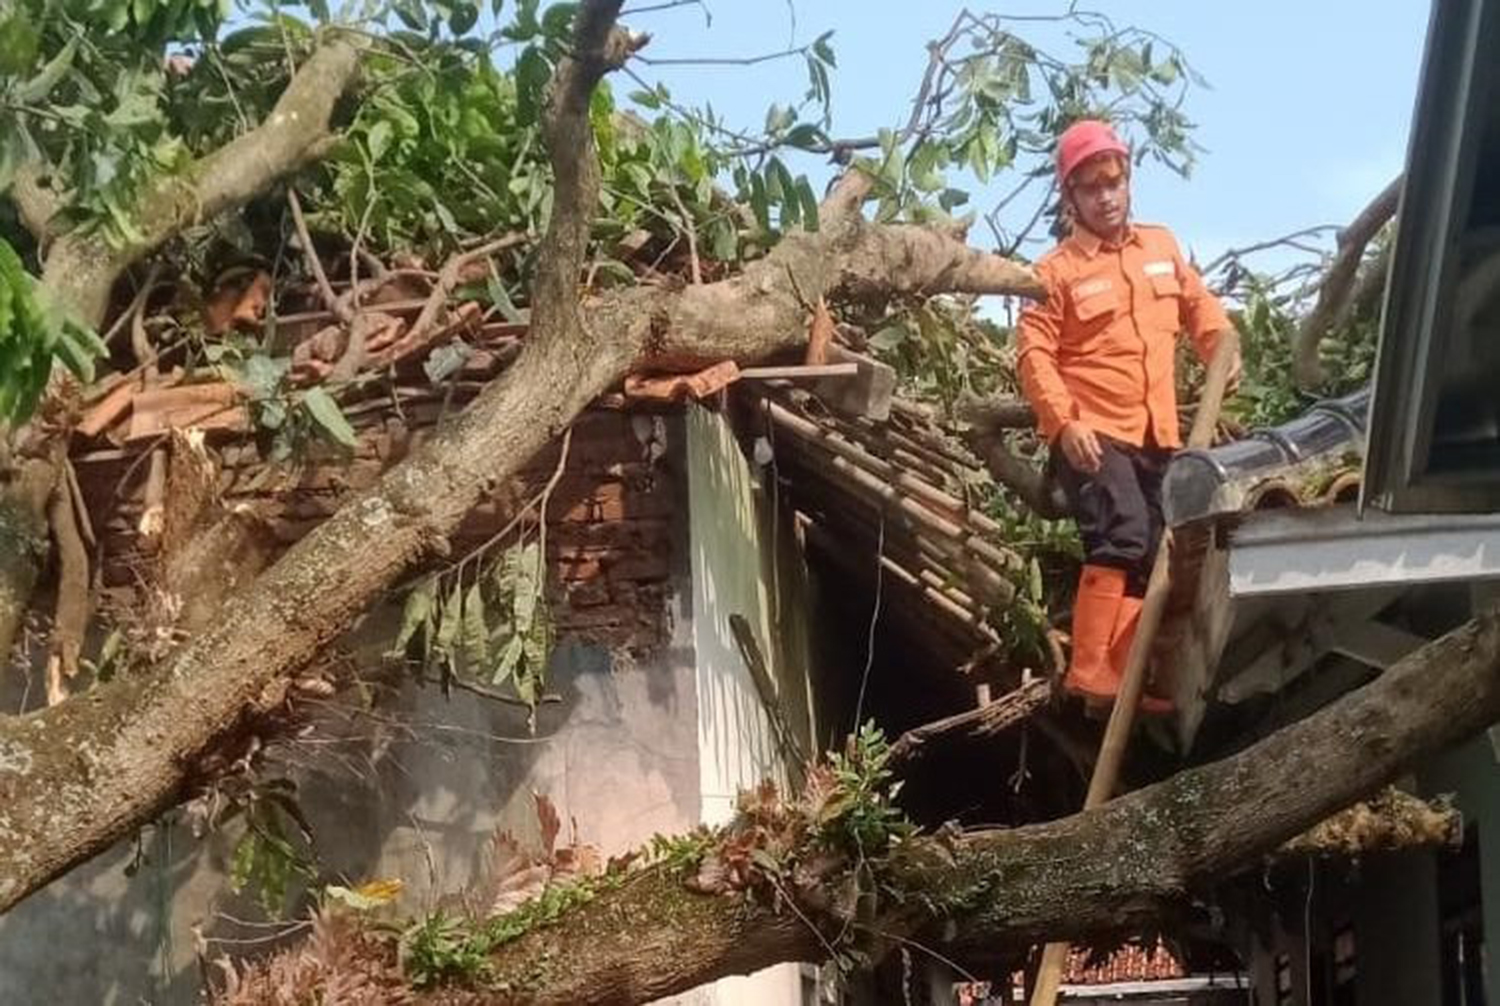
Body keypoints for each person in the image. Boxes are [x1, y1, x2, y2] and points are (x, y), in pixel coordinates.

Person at [1016, 119, 1238, 713]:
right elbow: (1034, 355)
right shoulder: (1054, 273)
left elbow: (1201, 310)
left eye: (1114, 182)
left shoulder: (1161, 247)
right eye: (1091, 188)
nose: (1106, 196)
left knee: (1150, 552)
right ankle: (1090, 669)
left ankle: (1124, 673)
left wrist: (1221, 347)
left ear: (1128, 180)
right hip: (1095, 434)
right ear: (1072, 198)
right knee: (1123, 535)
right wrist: (1065, 424)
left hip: (1156, 431)